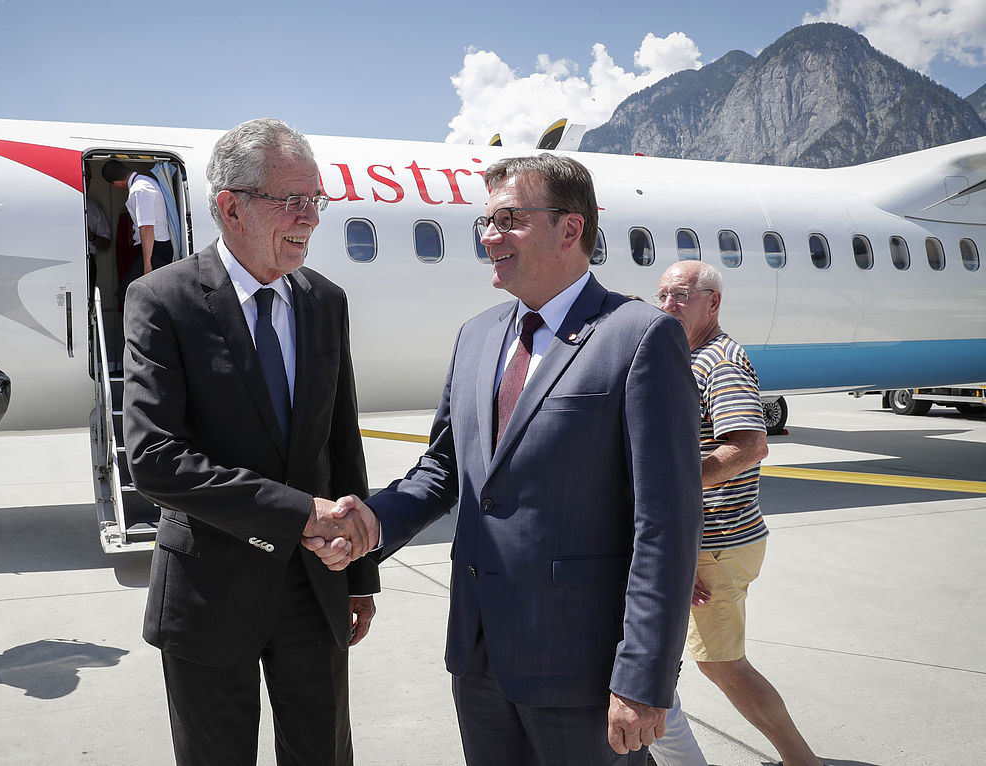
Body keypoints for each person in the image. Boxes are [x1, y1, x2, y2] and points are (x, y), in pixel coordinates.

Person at [309, 153, 703, 764]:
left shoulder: (639, 337)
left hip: (584, 670)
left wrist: (644, 677)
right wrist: (373, 521)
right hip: (480, 655)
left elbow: (666, 525)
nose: (489, 237)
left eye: (509, 219)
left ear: (570, 228)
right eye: (485, 222)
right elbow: (445, 470)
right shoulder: (478, 335)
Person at [121, 118, 379, 766]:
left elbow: (340, 442)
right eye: (291, 201)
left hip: (313, 586)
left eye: (315, 200)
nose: (309, 218)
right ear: (231, 207)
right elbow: (155, 459)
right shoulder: (162, 300)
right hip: (210, 591)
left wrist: (360, 574)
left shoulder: (326, 301)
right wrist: (299, 514)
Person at [650, 260, 821, 766]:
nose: (667, 306)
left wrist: (668, 490)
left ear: (712, 301)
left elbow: (748, 447)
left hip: (715, 542)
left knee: (724, 666)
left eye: (679, 295)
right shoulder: (689, 355)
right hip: (701, 540)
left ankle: (802, 761)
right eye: (661, 295)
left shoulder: (719, 362)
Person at [101, 159, 171, 285]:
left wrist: (147, 264)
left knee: (130, 290)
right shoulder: (147, 181)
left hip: (154, 248)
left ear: (116, 183)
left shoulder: (139, 190)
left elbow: (147, 227)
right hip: (156, 246)